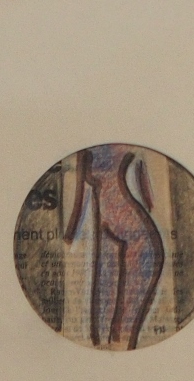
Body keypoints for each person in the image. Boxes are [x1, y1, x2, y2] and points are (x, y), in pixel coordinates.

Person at [63, 144, 165, 349]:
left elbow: (148, 200)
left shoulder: (126, 148)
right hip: (117, 233)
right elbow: (148, 199)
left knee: (122, 331)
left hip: (138, 239)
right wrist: (69, 239)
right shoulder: (90, 149)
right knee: (105, 331)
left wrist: (69, 239)